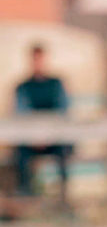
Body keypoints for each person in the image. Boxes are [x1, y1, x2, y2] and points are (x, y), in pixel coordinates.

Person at [13, 43, 73, 206]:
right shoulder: (23, 86)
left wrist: (49, 135)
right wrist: (34, 136)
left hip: (54, 137)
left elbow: (62, 111)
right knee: (20, 153)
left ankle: (63, 196)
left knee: (64, 149)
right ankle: (26, 195)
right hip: (31, 139)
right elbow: (21, 113)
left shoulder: (56, 84)